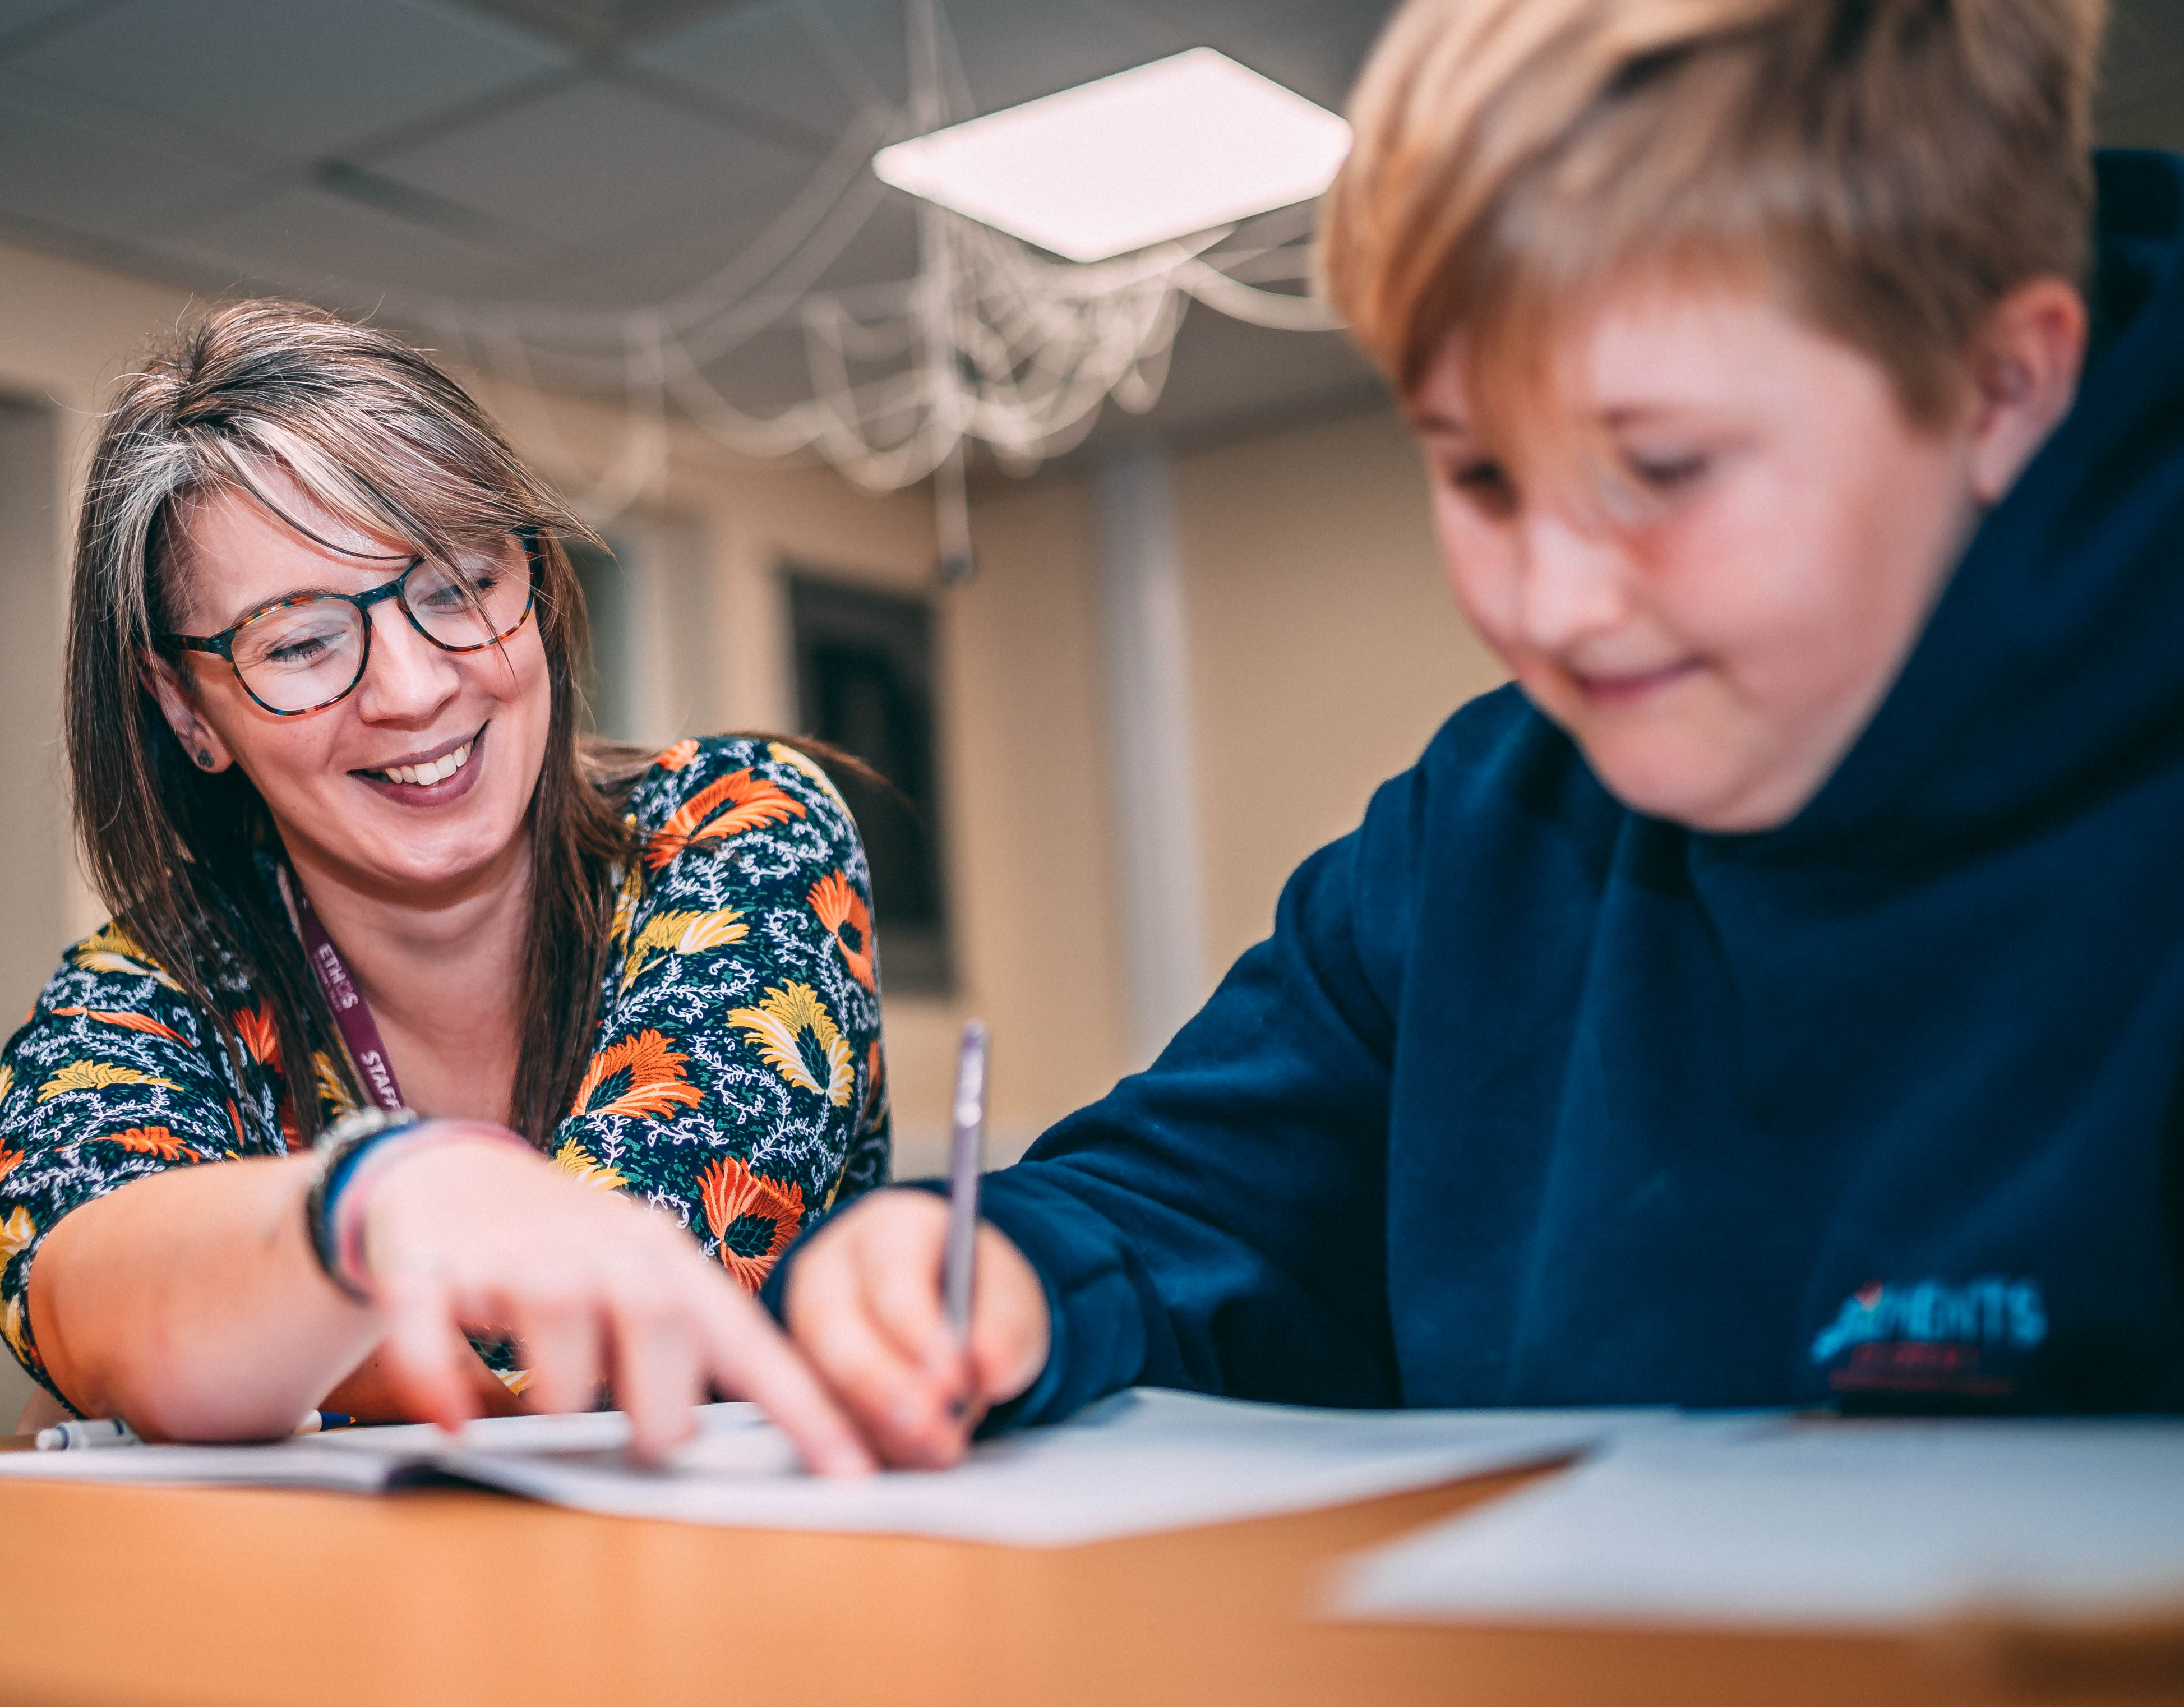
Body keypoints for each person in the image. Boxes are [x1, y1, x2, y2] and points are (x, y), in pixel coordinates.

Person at [773, 0, 2184, 1466]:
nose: (1555, 607)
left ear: (1999, 384)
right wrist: (996, 1267)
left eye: (1658, 467)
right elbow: (1185, 1205)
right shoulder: (1476, 832)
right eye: (1483, 477)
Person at [0, 301, 880, 1472]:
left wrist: (234, 1345)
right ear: (187, 708)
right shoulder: (152, 989)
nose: (411, 688)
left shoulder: (735, 834)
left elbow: (588, 1327)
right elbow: (69, 1277)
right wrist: (367, 1210)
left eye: (457, 586)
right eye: (299, 642)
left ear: (535, 584)